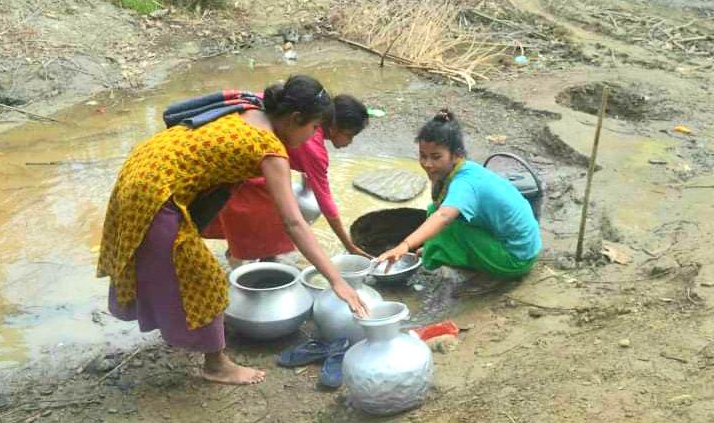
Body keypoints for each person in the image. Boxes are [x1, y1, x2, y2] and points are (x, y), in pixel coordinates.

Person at [97, 75, 368, 386]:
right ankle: (216, 365)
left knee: (180, 265)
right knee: (207, 278)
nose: (312, 136)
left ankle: (182, 331)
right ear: (295, 118)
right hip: (153, 193)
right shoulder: (270, 148)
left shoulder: (250, 108)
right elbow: (294, 222)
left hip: (141, 169)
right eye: (312, 128)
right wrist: (336, 280)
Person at [202, 95, 371, 264]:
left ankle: (260, 256)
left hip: (244, 162)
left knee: (266, 220)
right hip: (246, 172)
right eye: (349, 135)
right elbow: (326, 205)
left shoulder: (304, 119)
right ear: (333, 127)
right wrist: (349, 245)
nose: (350, 142)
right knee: (261, 220)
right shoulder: (312, 147)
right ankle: (240, 264)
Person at [377, 109, 541, 281]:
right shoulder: (462, 168)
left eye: (436, 157)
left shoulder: (465, 183)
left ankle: (441, 253)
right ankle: (439, 249)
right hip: (522, 246)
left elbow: (443, 216)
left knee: (445, 224)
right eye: (423, 156)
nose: (427, 164)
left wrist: (404, 246)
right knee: (434, 210)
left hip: (516, 259)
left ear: (457, 155)